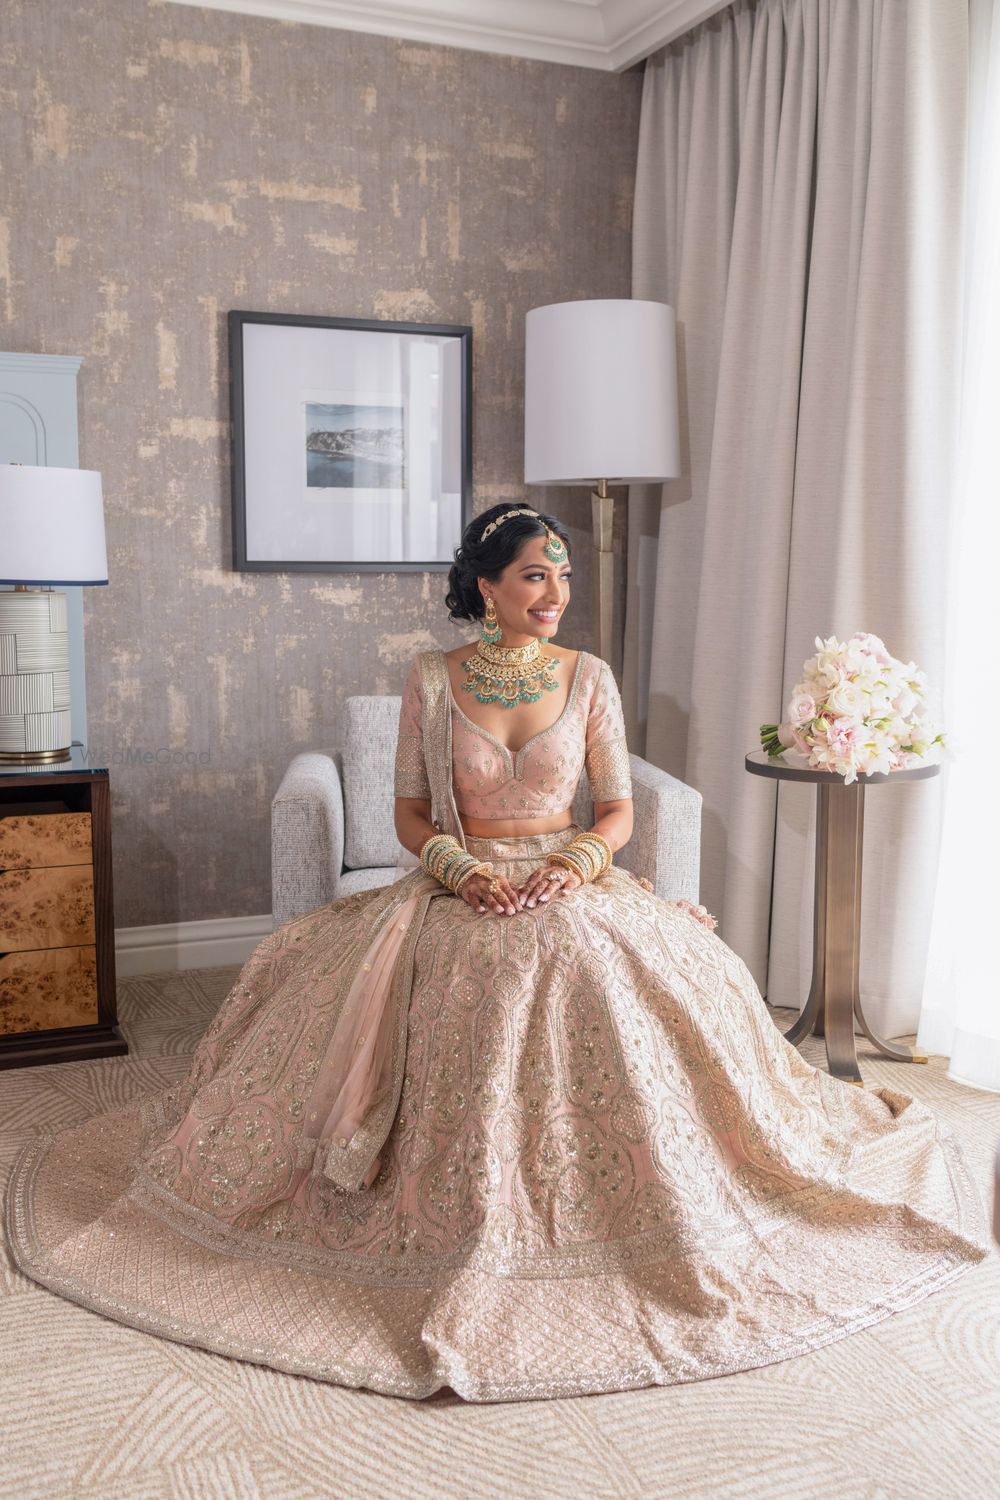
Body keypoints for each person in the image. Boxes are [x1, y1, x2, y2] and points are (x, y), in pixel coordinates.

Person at [6, 504, 988, 1403]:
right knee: (452, 985)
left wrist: (573, 863)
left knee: (624, 979)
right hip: (456, 885)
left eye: (563, 577)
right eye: (533, 577)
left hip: (570, 882)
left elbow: (617, 806)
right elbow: (404, 811)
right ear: (484, 585)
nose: (555, 595)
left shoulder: (588, 677)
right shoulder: (430, 680)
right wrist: (460, 872)